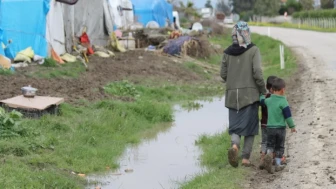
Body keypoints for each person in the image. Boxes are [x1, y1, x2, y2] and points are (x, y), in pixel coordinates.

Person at [220, 21, 267, 167]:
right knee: (250, 128)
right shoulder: (254, 50)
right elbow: (257, 73)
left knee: (235, 126)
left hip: (232, 96)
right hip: (250, 95)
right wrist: (263, 90)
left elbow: (223, 75)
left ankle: (234, 146)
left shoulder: (227, 53)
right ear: (246, 33)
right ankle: (246, 158)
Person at [260, 78, 296, 173]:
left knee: (270, 145)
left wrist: (261, 95)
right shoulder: (283, 101)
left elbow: (262, 101)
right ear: (283, 89)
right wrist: (292, 126)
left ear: (272, 89)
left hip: (270, 128)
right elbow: (288, 116)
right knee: (280, 146)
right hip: (280, 128)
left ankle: (268, 154)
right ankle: (278, 164)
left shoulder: (269, 100)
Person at [259, 76, 277, 169]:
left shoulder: (263, 97)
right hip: (273, 125)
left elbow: (261, 101)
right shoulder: (277, 98)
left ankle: (262, 158)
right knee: (272, 142)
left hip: (264, 124)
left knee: (264, 141)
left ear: (266, 86)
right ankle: (270, 157)